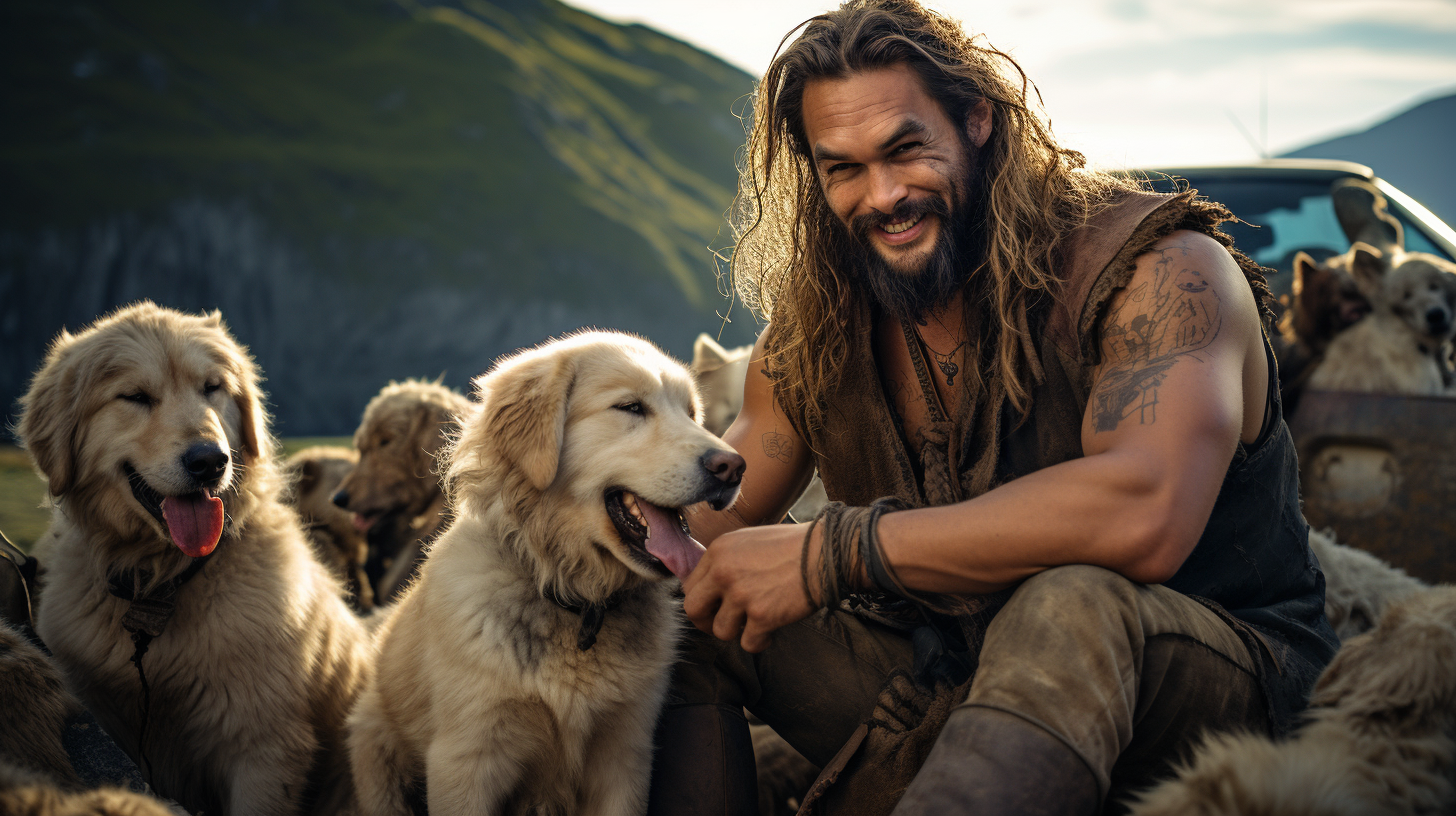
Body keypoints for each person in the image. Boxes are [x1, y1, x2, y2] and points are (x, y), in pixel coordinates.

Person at [648, 2, 1339, 814]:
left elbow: (1144, 512)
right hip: (945, 674)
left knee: (1068, 602)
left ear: (976, 118)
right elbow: (713, 522)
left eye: (906, 150)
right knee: (679, 617)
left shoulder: (1162, 273)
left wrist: (829, 554)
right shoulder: (820, 325)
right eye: (843, 168)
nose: (884, 195)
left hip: (1213, 687)